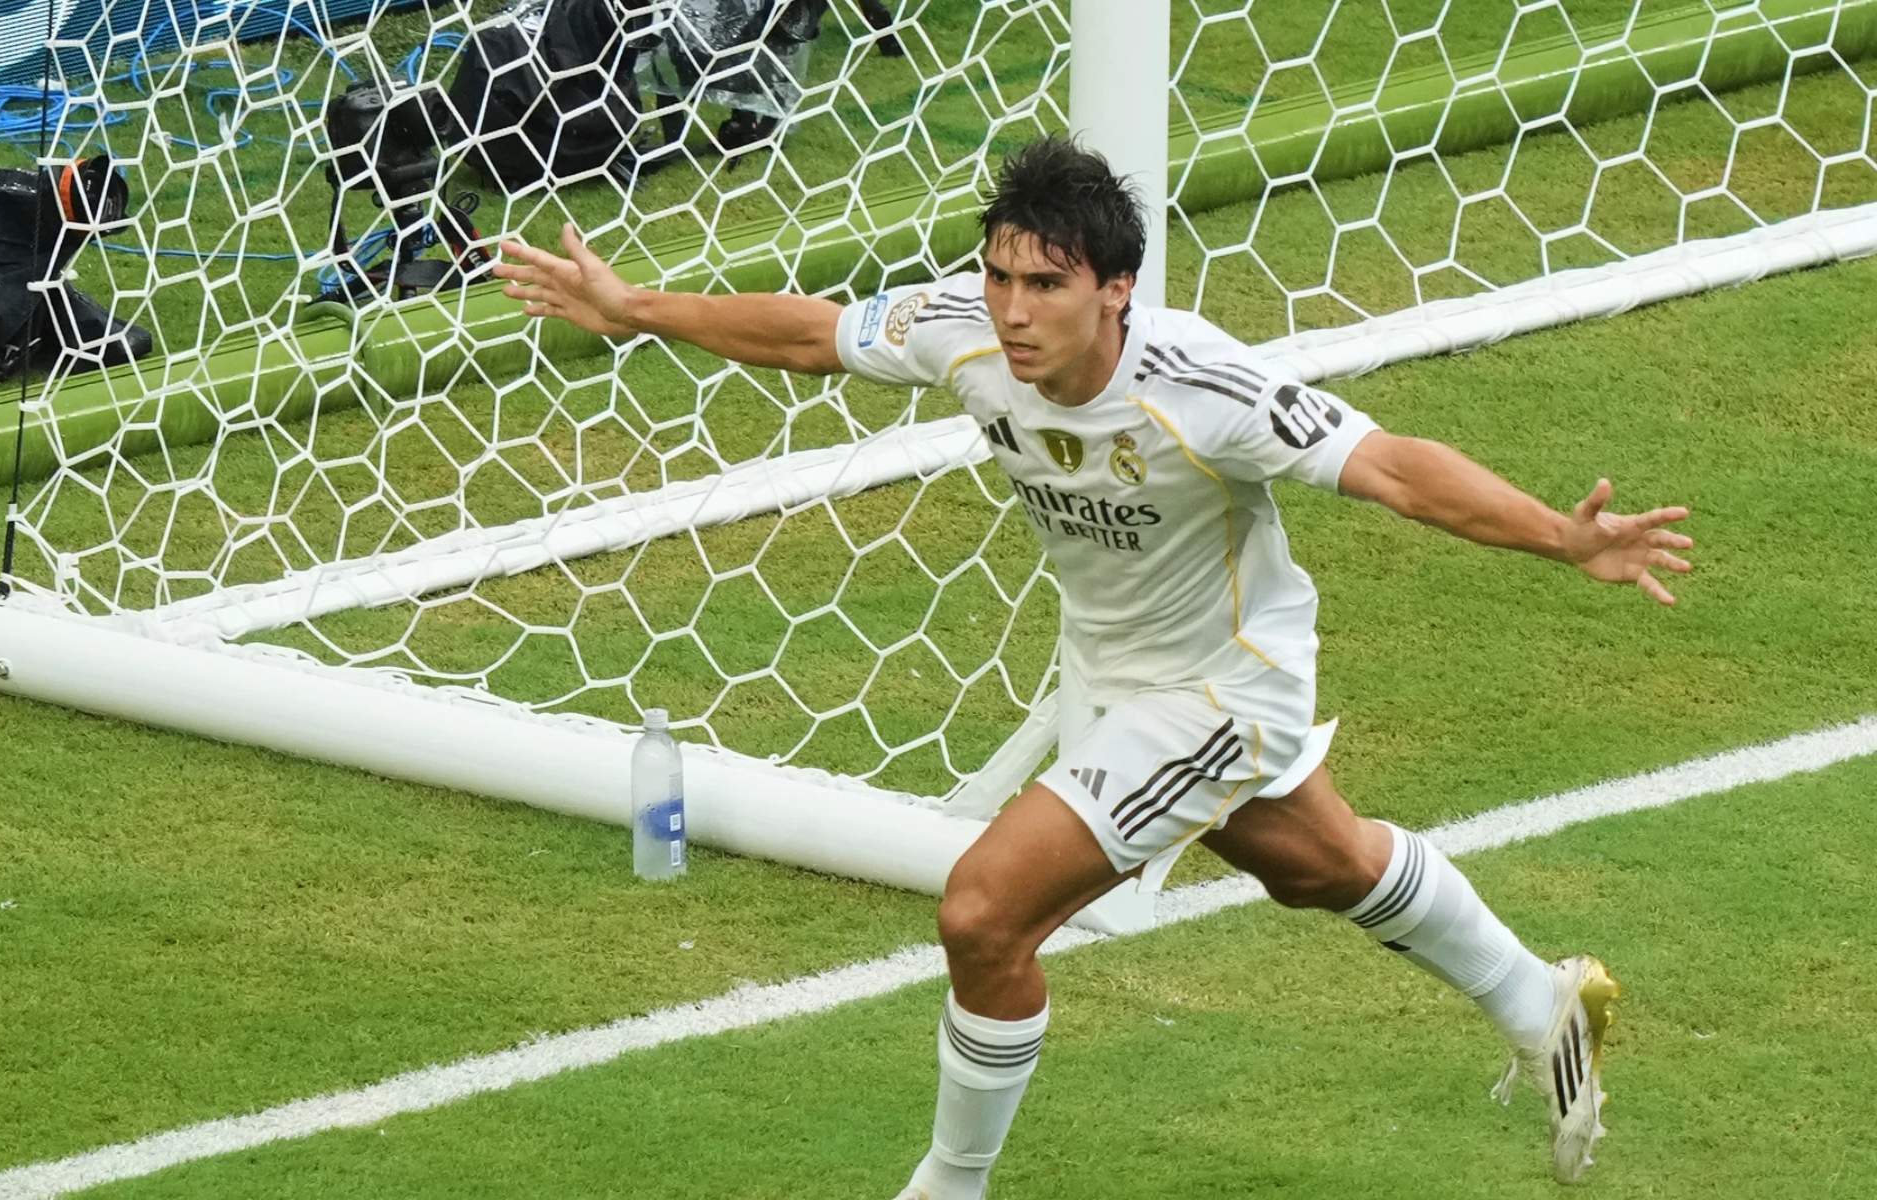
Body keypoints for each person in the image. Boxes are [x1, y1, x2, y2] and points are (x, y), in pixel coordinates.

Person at [493, 135, 1693, 1195]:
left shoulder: (1201, 388)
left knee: (980, 912)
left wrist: (1556, 534)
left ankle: (947, 1188)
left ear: (1115, 290)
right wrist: (634, 305)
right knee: (1314, 862)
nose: (1013, 311)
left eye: (1047, 286)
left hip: (1223, 691)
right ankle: (1539, 1000)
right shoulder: (964, 335)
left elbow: (1390, 465)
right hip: (1114, 672)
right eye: (1000, 276)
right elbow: (813, 334)